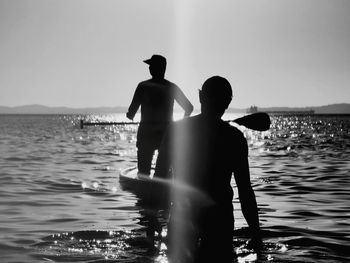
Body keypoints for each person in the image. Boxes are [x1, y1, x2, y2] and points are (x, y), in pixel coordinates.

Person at [154, 76, 261, 263]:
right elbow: (245, 192)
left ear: (201, 97)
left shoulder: (175, 131)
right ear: (227, 103)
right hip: (219, 222)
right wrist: (256, 236)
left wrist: (153, 223)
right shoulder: (234, 138)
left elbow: (159, 180)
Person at [126, 55, 193, 175]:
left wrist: (129, 115)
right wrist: (181, 125)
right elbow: (189, 108)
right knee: (163, 173)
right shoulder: (172, 87)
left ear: (156, 68)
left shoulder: (143, 86)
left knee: (143, 173)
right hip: (167, 134)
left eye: (151, 65)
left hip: (146, 134)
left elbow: (131, 114)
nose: (150, 68)